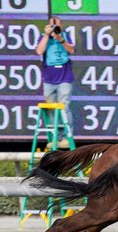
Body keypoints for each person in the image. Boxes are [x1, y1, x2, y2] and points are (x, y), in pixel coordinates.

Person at [35, 16, 75, 149]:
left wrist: (60, 39)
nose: (55, 29)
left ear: (61, 26)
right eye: (53, 26)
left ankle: (66, 137)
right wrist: (47, 35)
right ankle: (55, 138)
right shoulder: (43, 37)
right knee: (51, 108)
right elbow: (39, 51)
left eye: (57, 26)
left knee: (64, 106)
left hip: (65, 77)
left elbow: (72, 50)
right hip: (49, 79)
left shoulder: (65, 36)